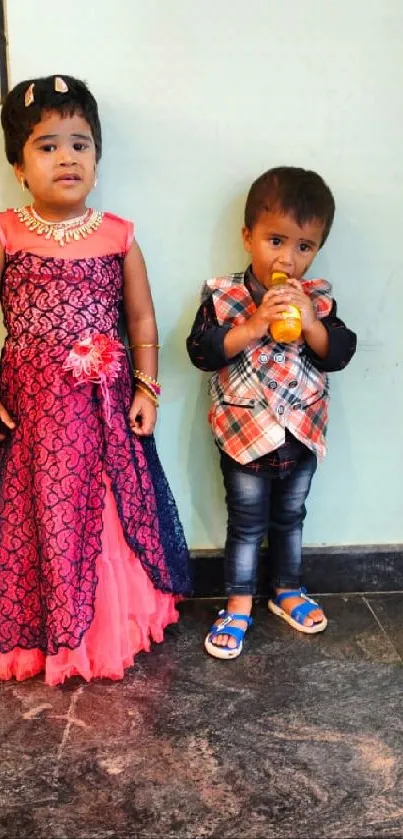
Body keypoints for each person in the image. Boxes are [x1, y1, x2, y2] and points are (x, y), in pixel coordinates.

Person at [0, 74, 191, 685]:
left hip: (102, 409)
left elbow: (141, 318)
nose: (66, 157)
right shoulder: (5, 232)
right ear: (19, 166)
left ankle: (108, 627)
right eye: (47, 145)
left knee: (103, 512)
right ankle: (45, 637)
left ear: (98, 159)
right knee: (38, 513)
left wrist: (148, 388)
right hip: (31, 412)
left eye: (80, 144)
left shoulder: (118, 235)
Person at [187, 166, 356, 659]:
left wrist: (310, 323)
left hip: (300, 435)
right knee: (245, 524)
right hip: (243, 434)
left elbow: (339, 353)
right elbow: (203, 352)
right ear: (248, 236)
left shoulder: (316, 298)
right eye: (275, 241)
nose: (288, 258)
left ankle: (286, 590)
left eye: (304, 246)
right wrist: (255, 324)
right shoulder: (222, 295)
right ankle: (238, 601)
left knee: (290, 518)